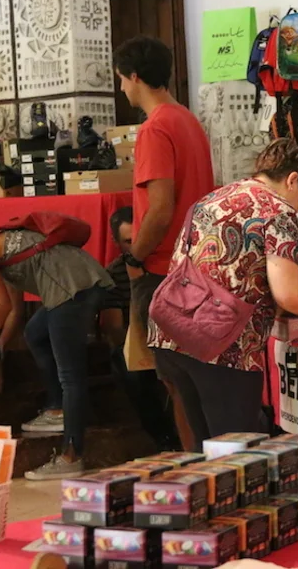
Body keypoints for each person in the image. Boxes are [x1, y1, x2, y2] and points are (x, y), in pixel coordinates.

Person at [149, 139, 298, 451]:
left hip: (172, 333)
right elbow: (290, 295)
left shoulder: (212, 198)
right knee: (236, 456)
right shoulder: (276, 209)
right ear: (292, 180)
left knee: (204, 451)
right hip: (222, 346)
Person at [0, 210, 113, 480]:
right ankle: (57, 408)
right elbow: (14, 309)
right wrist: (1, 343)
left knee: (70, 376)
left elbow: (0, 305)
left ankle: (71, 456)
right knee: (35, 333)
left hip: (72, 288)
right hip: (78, 283)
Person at [113, 36, 214, 370]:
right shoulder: (188, 120)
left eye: (122, 79)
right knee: (192, 372)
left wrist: (134, 257)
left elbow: (160, 210)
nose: (122, 88)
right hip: (196, 263)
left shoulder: (154, 128)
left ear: (135, 76)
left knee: (173, 376)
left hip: (162, 269)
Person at [100, 206, 178, 450]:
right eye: (127, 242)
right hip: (137, 340)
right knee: (128, 367)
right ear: (116, 242)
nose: (135, 247)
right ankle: (164, 438)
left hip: (176, 336)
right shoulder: (113, 274)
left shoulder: (169, 262)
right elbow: (113, 328)